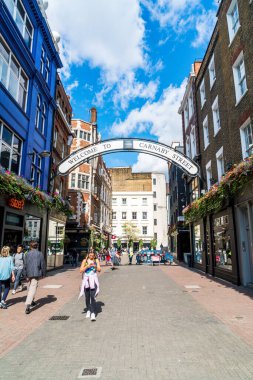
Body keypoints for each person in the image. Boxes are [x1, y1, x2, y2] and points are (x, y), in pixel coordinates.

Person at [23, 241, 46, 315]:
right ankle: (28, 305)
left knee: (29, 287)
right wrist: (43, 273)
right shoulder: (40, 253)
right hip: (36, 273)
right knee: (32, 288)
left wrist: (25, 275)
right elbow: (42, 264)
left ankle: (31, 301)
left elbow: (25, 265)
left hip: (28, 273)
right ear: (37, 246)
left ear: (30, 246)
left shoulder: (27, 254)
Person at [79, 248, 101, 321]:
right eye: (90, 253)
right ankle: (88, 310)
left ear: (94, 255)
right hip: (86, 281)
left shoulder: (96, 260)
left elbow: (99, 270)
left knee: (93, 296)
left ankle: (93, 313)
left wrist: (95, 266)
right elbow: (81, 270)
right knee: (87, 297)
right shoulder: (84, 261)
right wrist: (87, 266)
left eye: (93, 253)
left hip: (93, 281)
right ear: (88, 254)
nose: (91, 254)